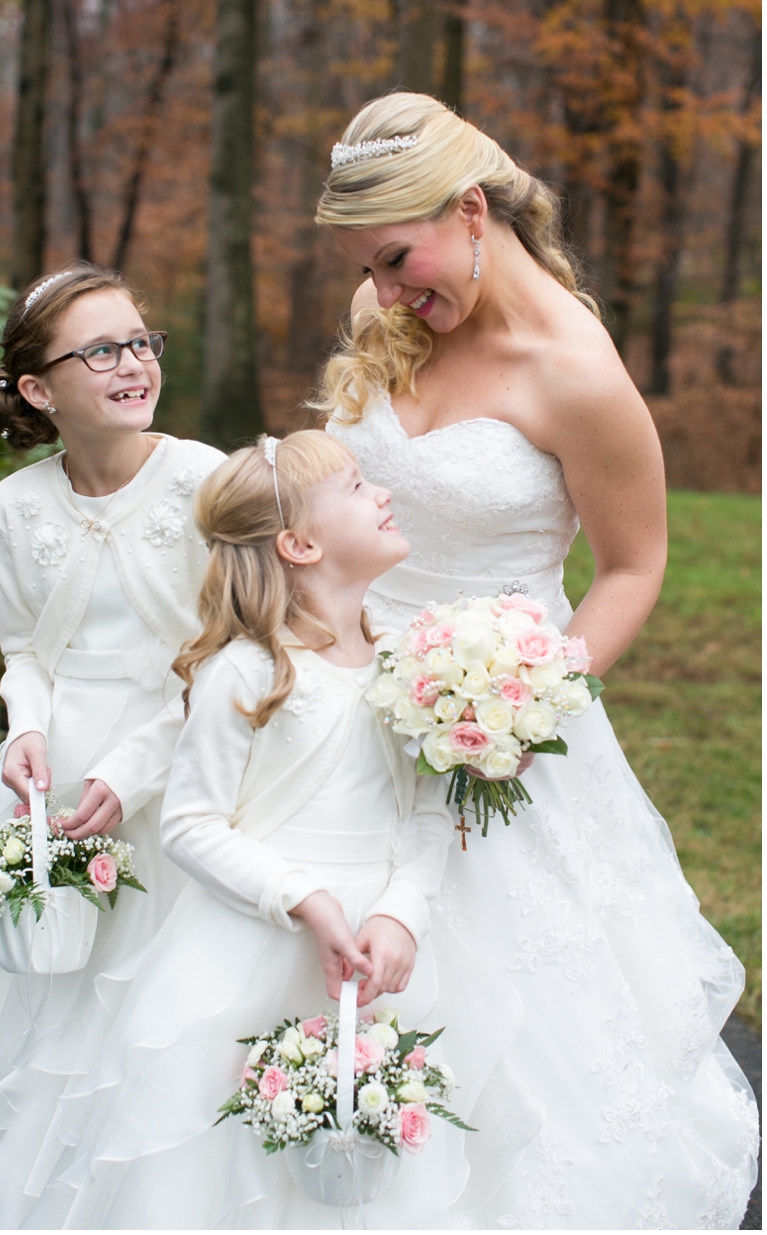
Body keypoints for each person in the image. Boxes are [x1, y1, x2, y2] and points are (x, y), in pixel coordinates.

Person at [311, 92, 758, 1228]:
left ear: (470, 210)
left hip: (497, 726)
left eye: (400, 259)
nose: (386, 294)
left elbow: (634, 567)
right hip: (336, 698)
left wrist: (525, 706)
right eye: (369, 269)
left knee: (518, 1030)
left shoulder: (578, 372)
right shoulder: (394, 313)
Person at [2, 431, 526, 1230]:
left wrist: (399, 914)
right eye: (356, 486)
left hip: (381, 951)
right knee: (222, 1161)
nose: (382, 494)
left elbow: (426, 813)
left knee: (370, 1156)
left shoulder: (408, 666)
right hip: (253, 946)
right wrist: (305, 899)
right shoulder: (247, 673)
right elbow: (189, 824)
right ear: (300, 543)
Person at [0, 263, 225, 1229]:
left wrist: (133, 769)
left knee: (144, 1002)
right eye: (100, 350)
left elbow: (223, 652)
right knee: (40, 995)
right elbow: (26, 648)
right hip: (53, 778)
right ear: (39, 389)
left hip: (180, 761)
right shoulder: (15, 507)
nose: (131, 363)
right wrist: (24, 727)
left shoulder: (204, 481)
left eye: (140, 342)